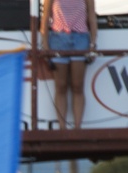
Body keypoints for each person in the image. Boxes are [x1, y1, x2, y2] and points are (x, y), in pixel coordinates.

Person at [40, 0, 97, 129]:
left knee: (77, 86)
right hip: (58, 38)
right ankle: (62, 127)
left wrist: (93, 43)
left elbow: (92, 17)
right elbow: (45, 19)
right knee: (61, 86)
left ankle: (77, 127)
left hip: (81, 38)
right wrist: (45, 46)